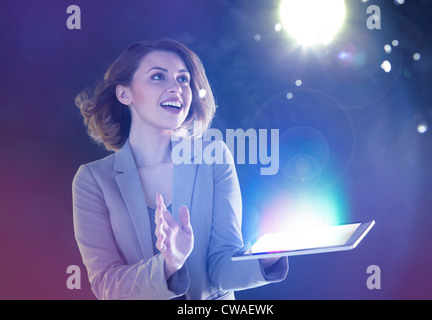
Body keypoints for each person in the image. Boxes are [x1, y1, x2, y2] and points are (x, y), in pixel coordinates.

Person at [72, 39, 288, 300]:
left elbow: (221, 265)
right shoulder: (93, 180)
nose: (176, 87)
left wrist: (267, 258)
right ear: (124, 94)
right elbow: (108, 284)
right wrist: (167, 264)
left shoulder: (215, 158)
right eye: (158, 77)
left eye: (183, 79)